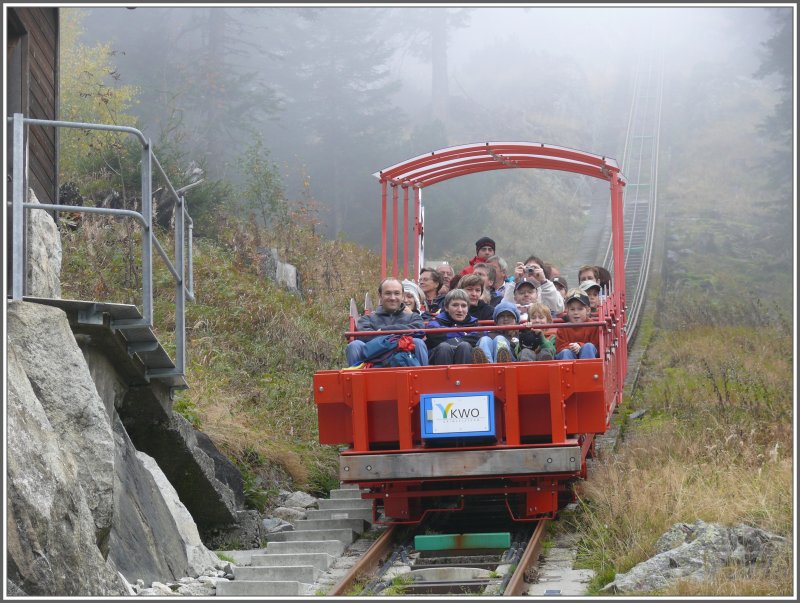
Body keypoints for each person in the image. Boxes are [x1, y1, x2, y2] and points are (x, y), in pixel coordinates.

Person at [346, 277, 428, 366]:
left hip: (407, 361)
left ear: (402, 296)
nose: (392, 298)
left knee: (418, 342)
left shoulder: (413, 317)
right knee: (354, 345)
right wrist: (399, 337)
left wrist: (384, 331)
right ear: (380, 296)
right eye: (388, 293)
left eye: (397, 293)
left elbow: (419, 330)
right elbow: (365, 336)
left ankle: (422, 374)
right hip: (375, 362)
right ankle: (357, 375)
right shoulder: (367, 319)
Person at [425, 289, 481, 365]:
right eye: (455, 305)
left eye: (464, 306)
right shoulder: (435, 321)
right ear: (446, 307)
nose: (460, 310)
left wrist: (451, 337)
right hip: (439, 358)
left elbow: (476, 339)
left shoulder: (474, 323)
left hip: (465, 356)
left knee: (465, 346)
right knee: (444, 347)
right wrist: (462, 335)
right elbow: (434, 336)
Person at [555, 291, 599, 360]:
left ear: (588, 310)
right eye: (572, 309)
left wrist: (580, 345)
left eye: (580, 309)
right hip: (568, 355)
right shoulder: (562, 328)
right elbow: (559, 348)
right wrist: (572, 347)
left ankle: (588, 367)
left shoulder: (594, 326)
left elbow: (597, 347)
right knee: (566, 352)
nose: (576, 312)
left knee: (588, 346)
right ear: (567, 311)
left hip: (589, 355)